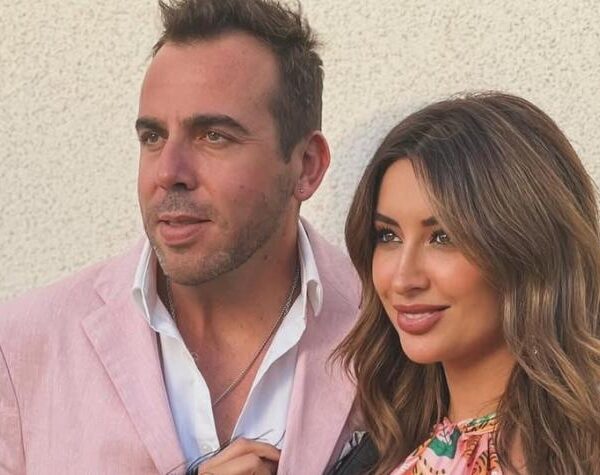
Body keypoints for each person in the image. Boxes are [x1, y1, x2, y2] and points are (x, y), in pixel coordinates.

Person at [0, 0, 360, 473]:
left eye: (214, 136)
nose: (168, 172)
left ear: (306, 167)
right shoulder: (22, 346)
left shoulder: (390, 328)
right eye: (152, 137)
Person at [331, 92, 600, 474]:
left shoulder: (581, 452)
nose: (403, 279)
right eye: (388, 236)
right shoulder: (379, 444)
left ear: (528, 247)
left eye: (443, 237)